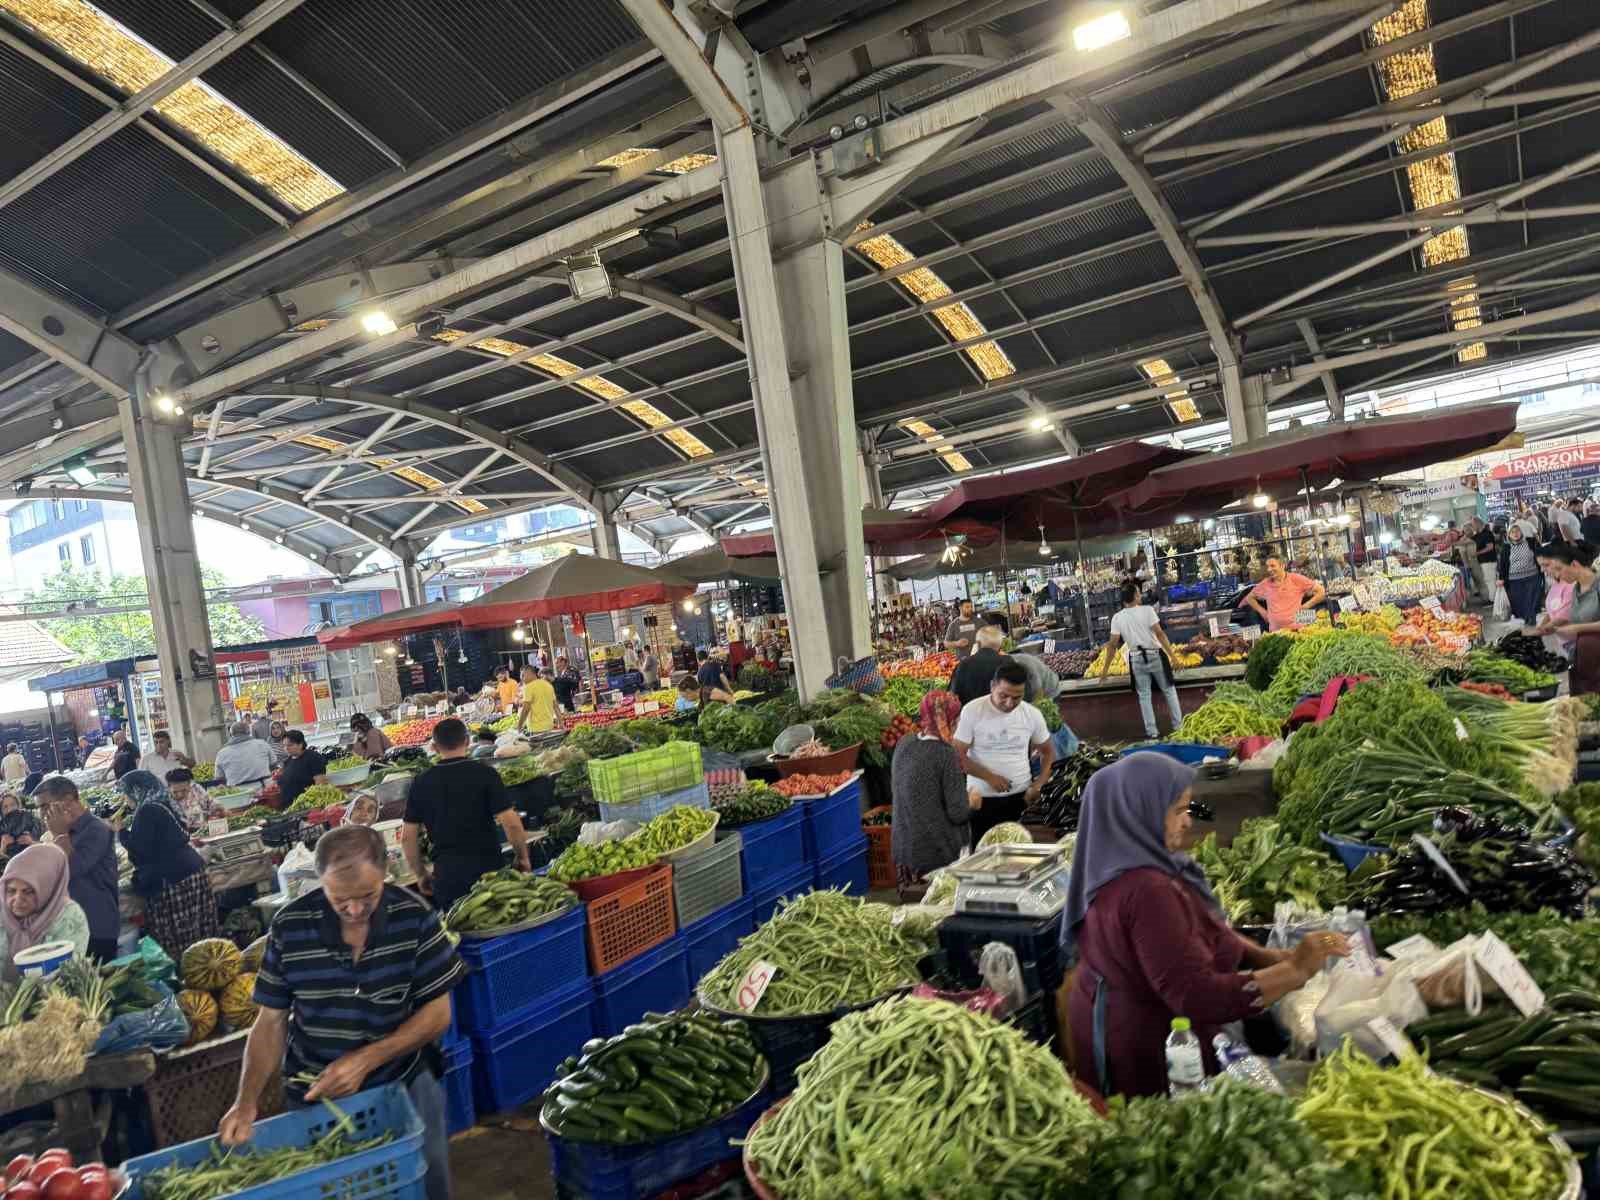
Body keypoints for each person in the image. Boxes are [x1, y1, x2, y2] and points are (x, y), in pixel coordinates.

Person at [1063, 753, 1350, 1098]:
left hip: (1126, 1021)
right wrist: (1295, 971)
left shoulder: (1129, 861)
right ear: (1141, 813)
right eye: (1177, 811)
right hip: (1151, 1054)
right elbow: (1197, 996)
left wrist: (1267, 958)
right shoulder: (1146, 891)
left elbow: (1203, 929)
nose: (1188, 822)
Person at [221, 825, 463, 1200]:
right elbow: (270, 1022)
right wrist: (246, 1100)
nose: (354, 909)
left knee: (421, 1184)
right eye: (339, 899)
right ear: (321, 881)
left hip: (402, 1084)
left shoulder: (414, 917)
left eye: (367, 895)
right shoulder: (290, 927)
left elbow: (438, 1013)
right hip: (316, 1094)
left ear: (385, 872)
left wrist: (367, 1059)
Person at [401, 718, 530, 912]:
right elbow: (511, 823)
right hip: (490, 874)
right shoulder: (485, 773)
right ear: (467, 741)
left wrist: (420, 874)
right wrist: (522, 857)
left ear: (434, 747)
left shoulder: (421, 782)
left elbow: (407, 837)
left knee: (457, 926)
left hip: (448, 876)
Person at [116, 770, 221, 962]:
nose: (125, 799)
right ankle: (206, 966)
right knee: (199, 931)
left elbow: (141, 852)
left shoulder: (147, 810)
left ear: (136, 790)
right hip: (190, 871)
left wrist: (121, 831)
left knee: (179, 937)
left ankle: (189, 972)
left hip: (173, 880)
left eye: (126, 794)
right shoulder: (163, 802)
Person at [951, 661, 1056, 846]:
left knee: (1019, 852)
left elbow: (1048, 753)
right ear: (992, 686)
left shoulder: (1032, 714)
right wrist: (988, 776)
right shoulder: (973, 711)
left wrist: (1039, 784)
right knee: (982, 852)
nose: (1009, 703)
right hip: (981, 800)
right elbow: (957, 755)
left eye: (1017, 697)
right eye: (1003, 696)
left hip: (1020, 798)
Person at [890, 691, 981, 895]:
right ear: (950, 720)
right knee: (936, 906)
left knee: (913, 907)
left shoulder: (905, 742)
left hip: (904, 849)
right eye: (957, 719)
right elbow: (958, 813)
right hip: (934, 856)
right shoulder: (945, 753)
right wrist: (973, 801)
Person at [35, 778, 120, 963]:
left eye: (44, 806)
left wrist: (60, 834)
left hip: (97, 926)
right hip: (72, 926)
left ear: (67, 801)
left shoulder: (96, 829)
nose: (41, 814)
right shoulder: (68, 832)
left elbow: (71, 869)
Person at [1100, 582, 1185, 739]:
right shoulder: (1148, 610)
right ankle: (1179, 728)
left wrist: (1105, 671)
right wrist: (1173, 657)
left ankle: (1152, 733)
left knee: (1144, 696)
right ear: (1135, 596)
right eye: (1139, 593)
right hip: (1155, 655)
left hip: (1136, 659)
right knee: (1169, 690)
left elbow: (1112, 645)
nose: (1141, 595)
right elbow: (1160, 634)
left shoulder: (1117, 618)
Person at [0, 845, 89, 981]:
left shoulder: (69, 917)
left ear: (48, 888)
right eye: (11, 891)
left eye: (28, 892)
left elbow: (65, 975)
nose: (17, 899)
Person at [1534, 541, 1600, 692]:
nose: (1556, 575)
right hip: (1585, 657)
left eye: (1559, 569)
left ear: (1575, 564)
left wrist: (1576, 628)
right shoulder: (1577, 588)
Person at [1244, 556, 1325, 632]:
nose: (1269, 569)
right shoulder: (1265, 584)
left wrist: (1306, 606)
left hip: (1297, 630)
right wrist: (1262, 612)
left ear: (1282, 566)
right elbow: (1249, 598)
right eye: (1267, 566)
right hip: (1276, 633)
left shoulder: (1295, 578)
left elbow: (1321, 591)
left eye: (1272, 566)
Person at [947, 625, 1010, 708]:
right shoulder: (1008, 662)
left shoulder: (963, 665)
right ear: (1000, 645)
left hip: (971, 713)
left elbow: (952, 697)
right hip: (1002, 713)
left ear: (978, 644)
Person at [1496, 521, 1544, 627]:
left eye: (1517, 531)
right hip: (1514, 580)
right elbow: (1503, 564)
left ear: (1521, 532)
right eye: (1512, 532)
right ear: (1509, 535)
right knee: (1519, 602)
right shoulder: (1506, 547)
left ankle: (1531, 619)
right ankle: (1526, 618)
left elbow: (1539, 554)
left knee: (1532, 600)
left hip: (1532, 576)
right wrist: (1501, 578)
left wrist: (1543, 566)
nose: (1515, 533)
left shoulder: (1530, 542)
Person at [215, 720, 273, 790]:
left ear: (231, 734)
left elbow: (219, 778)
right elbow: (273, 764)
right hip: (264, 789)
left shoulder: (221, 753)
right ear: (248, 732)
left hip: (238, 792)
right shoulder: (262, 744)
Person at [277, 731, 329, 809]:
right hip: (289, 808)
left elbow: (321, 785)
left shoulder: (313, 757)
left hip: (306, 807)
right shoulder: (288, 761)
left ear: (300, 744)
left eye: (290, 745)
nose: (286, 748)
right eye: (284, 745)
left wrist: (314, 806)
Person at [516, 665, 560, 734]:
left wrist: (519, 726)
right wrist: (561, 723)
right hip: (549, 726)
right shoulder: (548, 685)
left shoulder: (528, 687)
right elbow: (556, 706)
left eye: (522, 675)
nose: (521, 678)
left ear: (529, 673)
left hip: (536, 729)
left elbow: (526, 709)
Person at [0, 792, 41, 860]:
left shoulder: (31, 819)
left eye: (12, 805)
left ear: (18, 805)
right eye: (5, 807)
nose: (9, 809)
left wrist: (31, 842)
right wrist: (3, 847)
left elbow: (46, 845)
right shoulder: (2, 827)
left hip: (34, 859)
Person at [1468, 517, 1497, 599]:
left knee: (1490, 581)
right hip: (1482, 561)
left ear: (1477, 524)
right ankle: (1492, 599)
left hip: (1489, 561)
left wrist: (1477, 553)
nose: (1472, 527)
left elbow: (1490, 547)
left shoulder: (1487, 533)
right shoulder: (1478, 535)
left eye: (1472, 525)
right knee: (1488, 581)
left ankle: (1494, 600)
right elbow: (1466, 540)